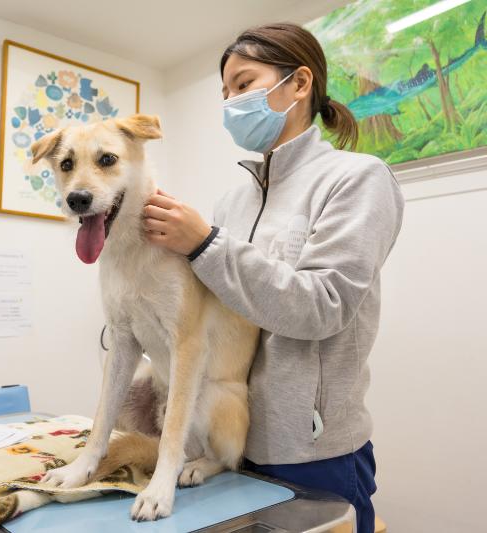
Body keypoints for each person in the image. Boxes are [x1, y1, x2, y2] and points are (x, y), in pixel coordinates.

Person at [143, 23, 404, 533]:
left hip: (310, 447)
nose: (231, 102)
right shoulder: (231, 202)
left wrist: (203, 242)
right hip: (228, 441)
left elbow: (322, 306)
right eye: (225, 93)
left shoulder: (357, 178)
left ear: (300, 83)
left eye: (243, 84)